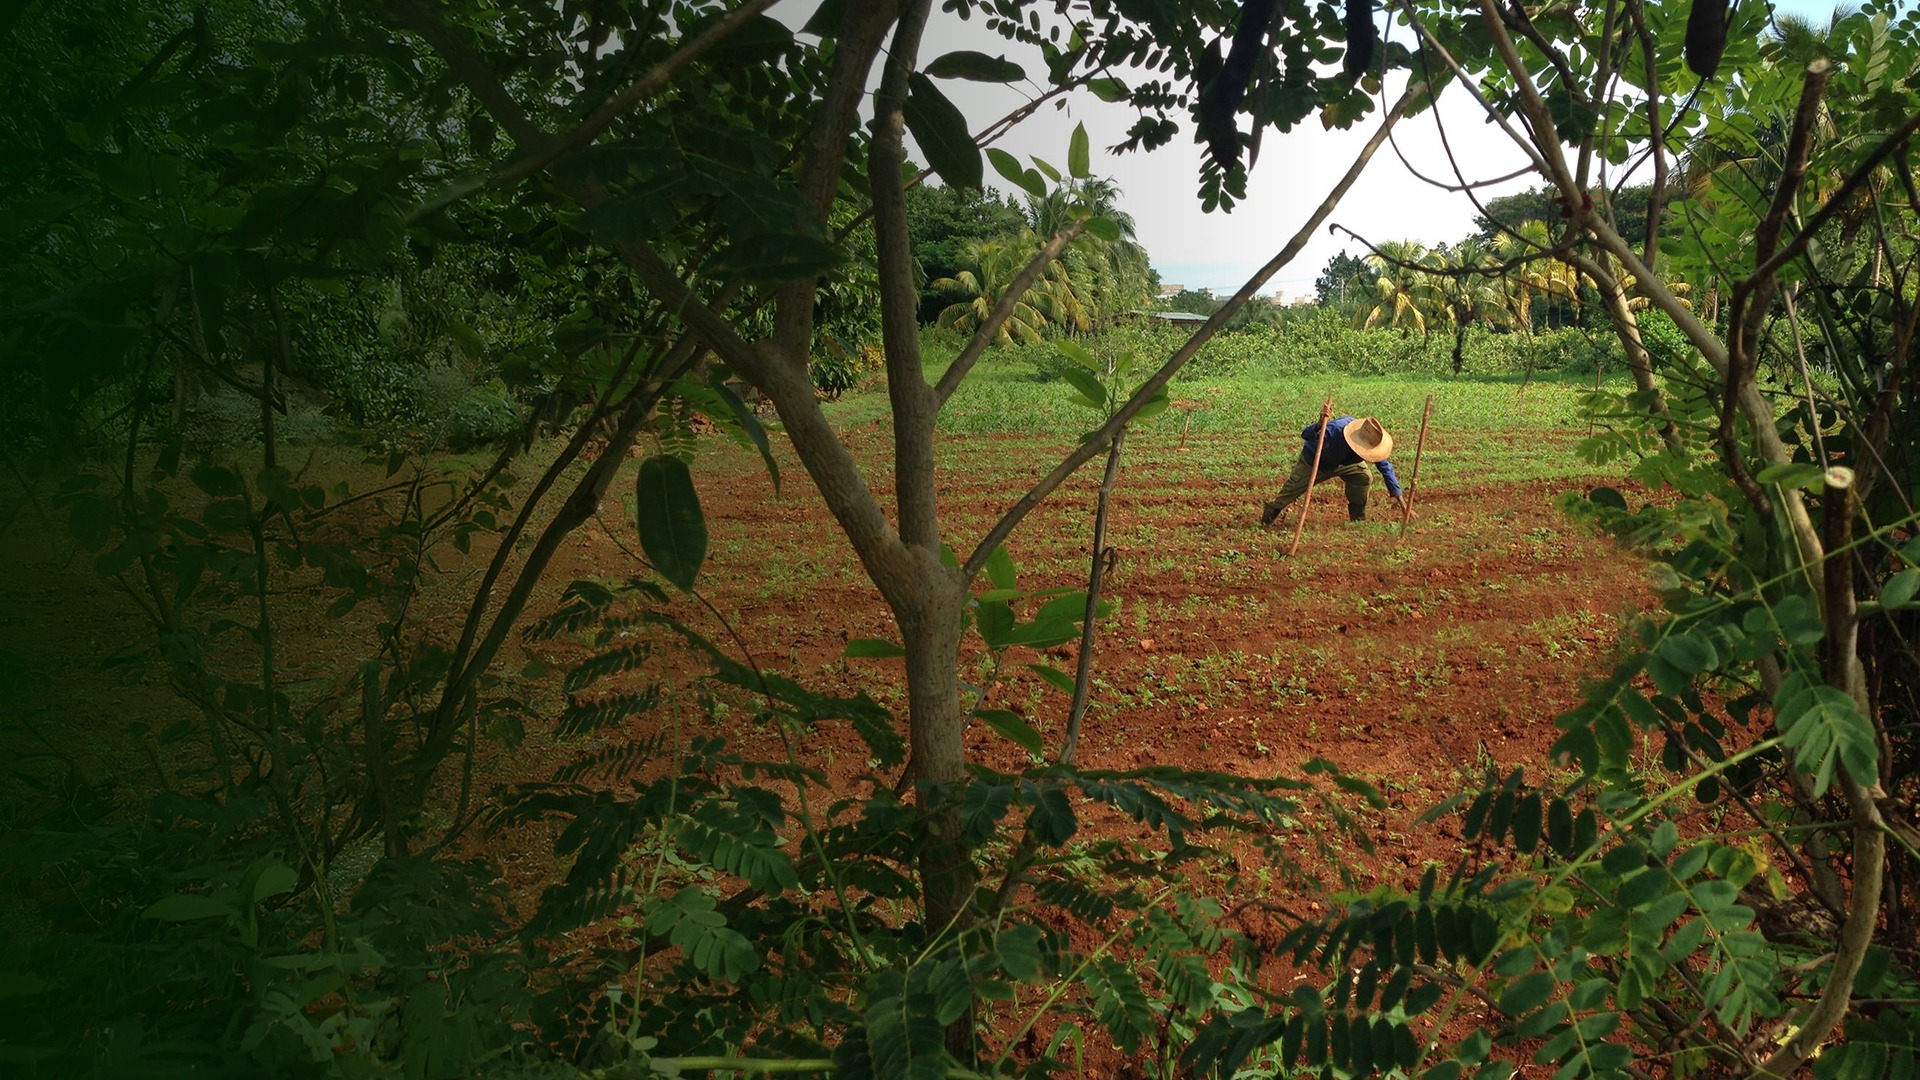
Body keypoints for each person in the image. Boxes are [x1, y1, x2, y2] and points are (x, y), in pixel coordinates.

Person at [1260, 414, 1410, 526]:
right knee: (1292, 488)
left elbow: (1386, 469)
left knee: (1363, 477)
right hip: (1316, 462)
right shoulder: (1334, 430)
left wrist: (1403, 504)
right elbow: (1306, 435)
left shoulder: (1372, 441)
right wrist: (1319, 424)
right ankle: (1270, 514)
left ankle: (1357, 517)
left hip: (1347, 464)